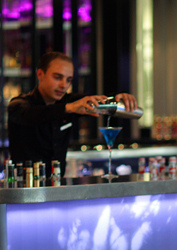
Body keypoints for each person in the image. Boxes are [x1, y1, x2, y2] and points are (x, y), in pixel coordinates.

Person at [7, 51, 137, 173]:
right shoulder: (19, 104)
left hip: (57, 183)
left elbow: (97, 99)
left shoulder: (70, 101)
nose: (64, 85)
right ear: (40, 74)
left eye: (68, 80)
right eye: (58, 77)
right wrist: (69, 108)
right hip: (24, 184)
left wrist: (118, 98)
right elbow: (30, 115)